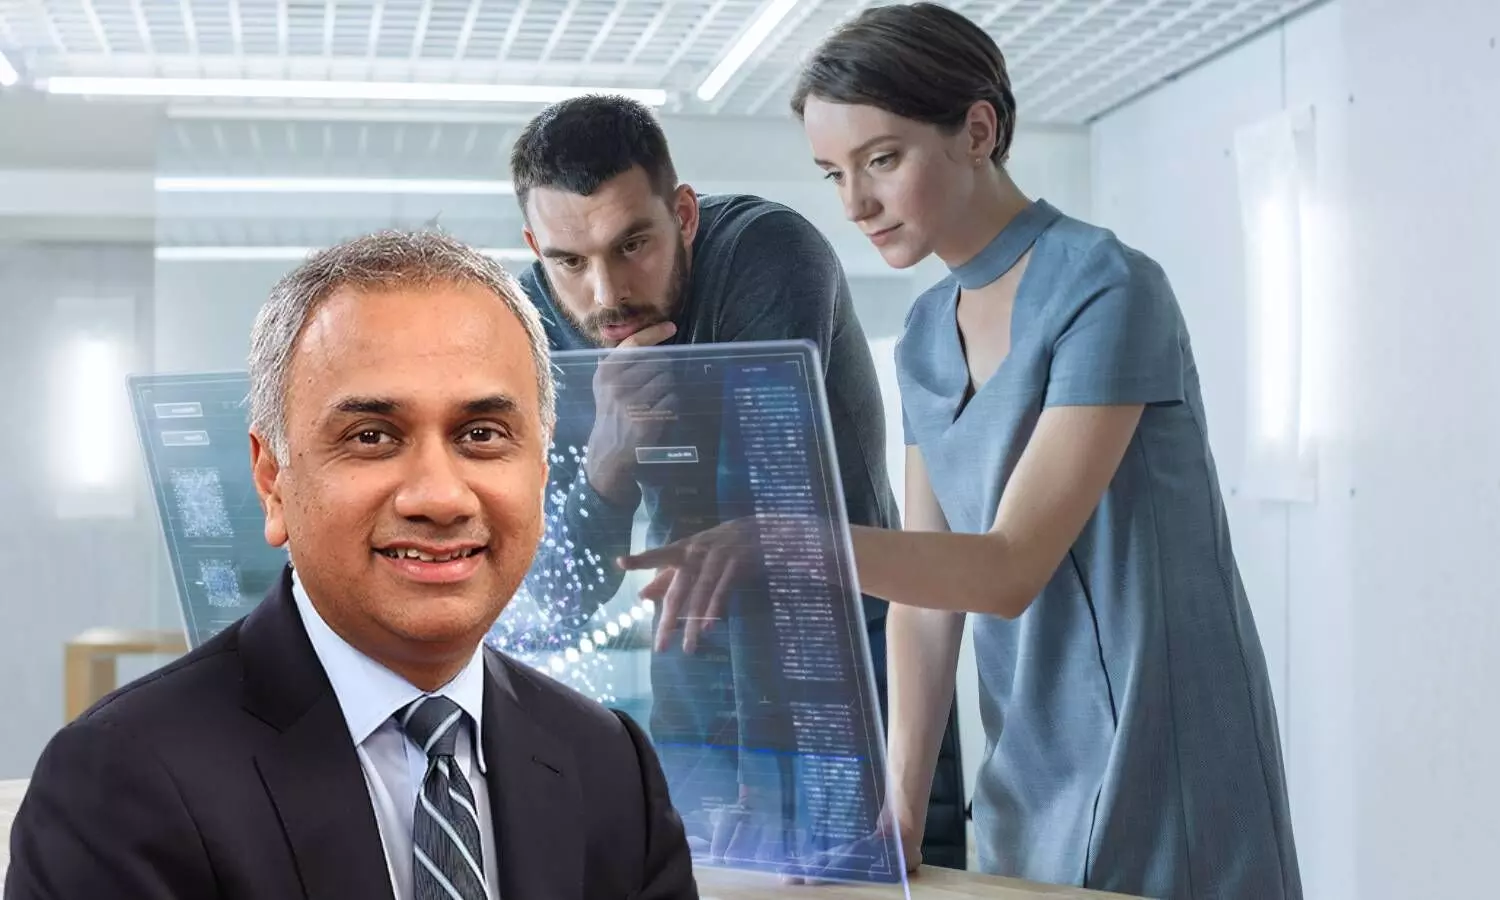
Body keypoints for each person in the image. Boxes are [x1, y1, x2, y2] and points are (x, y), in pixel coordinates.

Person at [628, 4, 1303, 896]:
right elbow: (925, 604)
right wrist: (901, 809)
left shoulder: (1109, 287)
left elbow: (1006, 569)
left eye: (882, 159)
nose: (855, 204)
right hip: (1026, 773)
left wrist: (785, 540)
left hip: (1164, 762)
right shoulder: (922, 335)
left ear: (977, 130)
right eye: (833, 174)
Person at [3, 231, 698, 900]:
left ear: (541, 472)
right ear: (273, 481)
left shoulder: (610, 766)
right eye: (371, 437)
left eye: (482, 435)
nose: (438, 496)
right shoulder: (119, 782)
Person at [505, 94, 968, 871]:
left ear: (683, 213)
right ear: (535, 246)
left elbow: (772, 527)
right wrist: (607, 466)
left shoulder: (768, 255)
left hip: (846, 657)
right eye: (569, 262)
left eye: (634, 244)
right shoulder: (540, 321)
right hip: (692, 670)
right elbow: (554, 596)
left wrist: (769, 795)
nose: (606, 294)